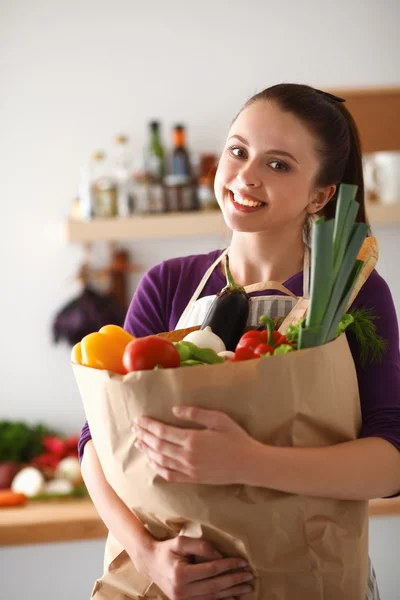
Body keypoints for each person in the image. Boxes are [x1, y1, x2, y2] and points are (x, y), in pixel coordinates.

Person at [79, 83, 400, 600]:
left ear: (321, 194)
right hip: (169, 577)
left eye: (278, 165)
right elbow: (98, 437)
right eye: (238, 151)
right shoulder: (168, 283)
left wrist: (245, 461)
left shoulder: (351, 291)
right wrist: (145, 554)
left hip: (309, 574)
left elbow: (391, 458)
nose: (245, 176)